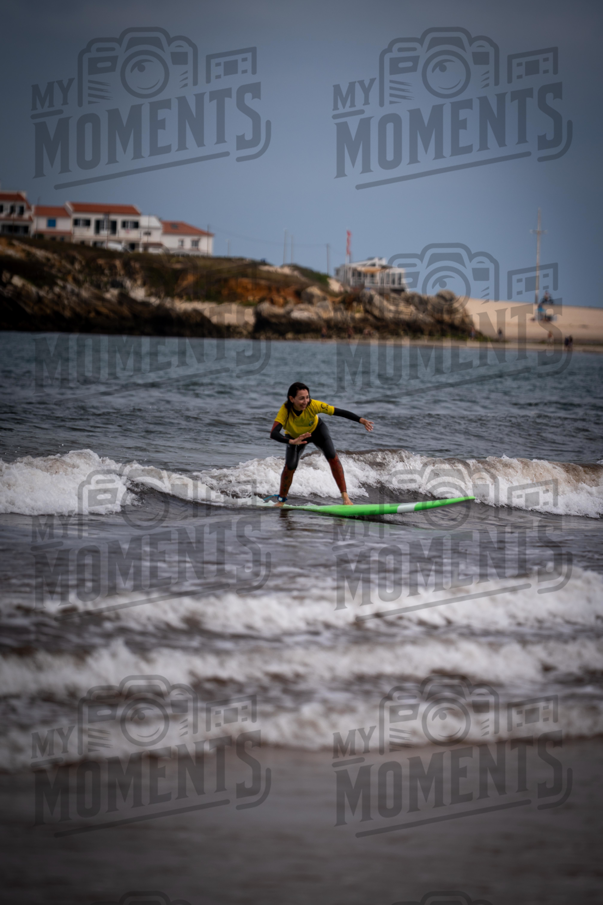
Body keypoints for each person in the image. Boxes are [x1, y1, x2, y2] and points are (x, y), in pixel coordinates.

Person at [267, 381, 373, 506]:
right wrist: (292, 441)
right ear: (291, 399)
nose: (305, 401)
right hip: (295, 437)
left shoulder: (314, 405)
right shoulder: (285, 410)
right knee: (290, 466)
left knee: (333, 457)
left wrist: (360, 420)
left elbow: (338, 412)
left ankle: (346, 499)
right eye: (301, 398)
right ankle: (281, 501)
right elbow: (274, 433)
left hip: (316, 431)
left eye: (307, 397)